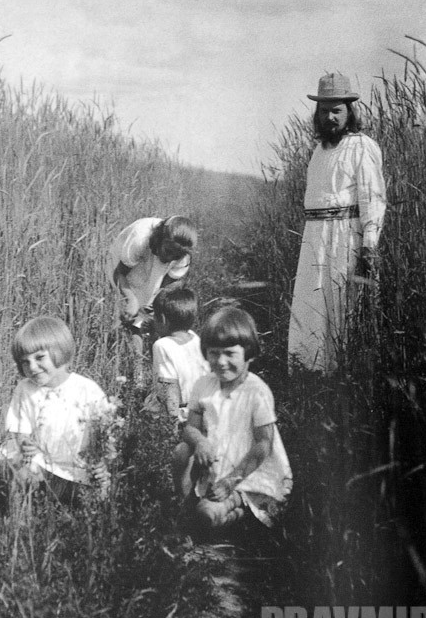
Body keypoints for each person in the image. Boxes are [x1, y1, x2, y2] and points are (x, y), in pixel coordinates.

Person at [288, 73, 386, 374]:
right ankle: (311, 373)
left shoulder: (361, 146)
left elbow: (373, 197)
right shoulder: (318, 152)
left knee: (342, 308)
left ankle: (344, 375)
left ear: (349, 112)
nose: (330, 117)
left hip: (345, 236)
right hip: (314, 236)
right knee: (311, 308)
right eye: (324, 111)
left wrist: (369, 245)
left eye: (336, 110)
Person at [174, 306, 292, 531]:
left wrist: (231, 481)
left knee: (207, 515)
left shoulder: (256, 391)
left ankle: (236, 512)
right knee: (182, 451)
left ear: (248, 353)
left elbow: (263, 444)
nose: (220, 361)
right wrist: (200, 441)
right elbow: (190, 428)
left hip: (247, 473)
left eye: (229, 353)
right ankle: (185, 504)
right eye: (214, 353)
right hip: (215, 467)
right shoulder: (203, 385)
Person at [0, 316, 116, 505]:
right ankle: (21, 516)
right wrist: (25, 443)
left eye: (39, 357)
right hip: (41, 462)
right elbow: (19, 429)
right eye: (25, 362)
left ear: (59, 351)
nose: (32, 367)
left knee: (98, 494)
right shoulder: (25, 389)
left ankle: (73, 501)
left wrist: (102, 462)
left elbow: (106, 434)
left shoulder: (87, 389)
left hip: (77, 466)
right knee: (10, 463)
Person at [107, 215, 197, 367]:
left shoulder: (181, 256)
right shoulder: (140, 239)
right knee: (132, 315)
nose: (169, 258)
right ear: (161, 238)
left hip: (155, 270)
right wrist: (132, 300)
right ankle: (134, 366)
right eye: (168, 251)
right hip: (127, 266)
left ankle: (153, 366)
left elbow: (167, 285)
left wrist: (155, 303)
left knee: (146, 316)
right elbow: (119, 273)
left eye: (175, 256)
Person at [148, 287, 210, 425]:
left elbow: (169, 387)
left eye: (154, 316)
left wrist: (172, 424)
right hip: (202, 408)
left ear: (163, 319)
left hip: (181, 414)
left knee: (148, 406)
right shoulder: (194, 337)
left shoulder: (162, 345)